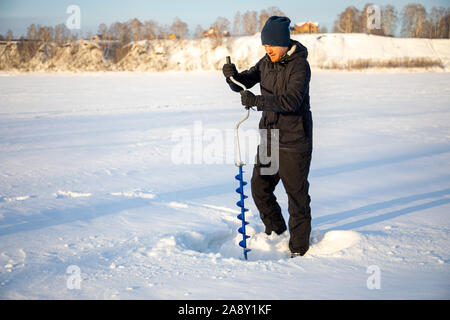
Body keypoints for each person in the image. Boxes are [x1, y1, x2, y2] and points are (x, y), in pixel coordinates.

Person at [222, 16, 313, 257]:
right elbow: (245, 81)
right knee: (259, 187)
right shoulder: (266, 62)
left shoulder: (300, 66)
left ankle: (299, 249)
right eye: (265, 45)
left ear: (284, 42)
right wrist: (232, 77)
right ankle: (276, 231)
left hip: (294, 141)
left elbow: (292, 100)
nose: (267, 49)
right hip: (270, 139)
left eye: (271, 45)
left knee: (297, 196)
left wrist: (258, 101)